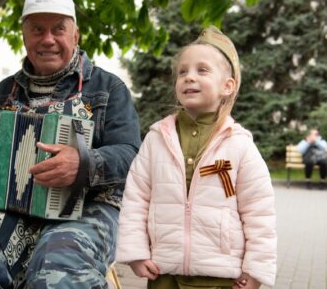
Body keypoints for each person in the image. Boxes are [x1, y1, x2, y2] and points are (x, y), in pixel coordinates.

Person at [0, 0, 141, 288]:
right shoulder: (1, 93)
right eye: (37, 30)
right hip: (9, 210)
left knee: (59, 260)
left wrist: (84, 163)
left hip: (87, 207)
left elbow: (131, 154)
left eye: (58, 29)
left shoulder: (109, 88)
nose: (48, 39)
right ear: (24, 35)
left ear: (76, 35)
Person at [116, 26, 277, 289]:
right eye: (183, 72)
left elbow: (259, 213)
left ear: (227, 86)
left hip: (220, 276)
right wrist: (136, 252)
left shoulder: (239, 145)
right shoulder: (157, 139)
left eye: (202, 70)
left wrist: (257, 270)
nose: (189, 77)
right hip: (164, 274)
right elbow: (136, 199)